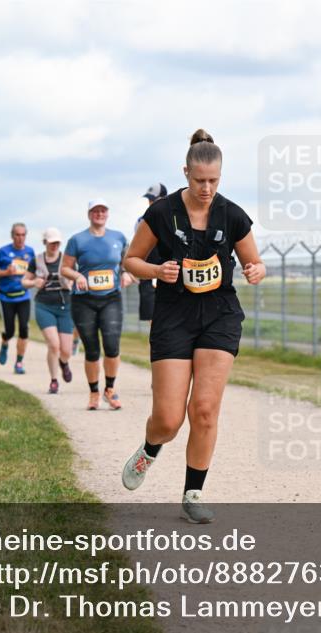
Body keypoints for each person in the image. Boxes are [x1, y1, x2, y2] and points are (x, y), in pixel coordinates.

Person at [121, 129, 266, 523]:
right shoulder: (161, 213)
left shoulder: (232, 214)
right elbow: (130, 260)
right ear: (186, 172)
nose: (206, 188)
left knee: (204, 409)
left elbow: (256, 261)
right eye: (199, 180)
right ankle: (151, 448)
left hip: (219, 314)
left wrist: (256, 270)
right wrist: (156, 270)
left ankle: (193, 492)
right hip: (174, 315)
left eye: (214, 181)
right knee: (169, 418)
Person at [61, 199, 132, 410]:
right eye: (95, 211)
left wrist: (126, 273)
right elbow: (65, 268)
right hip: (84, 300)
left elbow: (126, 262)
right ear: (89, 214)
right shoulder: (77, 240)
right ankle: (93, 392)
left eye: (103, 210)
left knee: (111, 346)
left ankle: (109, 390)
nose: (99, 214)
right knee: (92, 350)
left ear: (107, 213)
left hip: (111, 297)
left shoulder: (118, 237)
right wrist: (77, 276)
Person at [22, 228, 75, 394]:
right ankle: (54, 380)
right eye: (51, 243)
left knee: (66, 350)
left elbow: (77, 275)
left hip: (65, 306)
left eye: (57, 243)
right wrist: (33, 283)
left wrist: (72, 282)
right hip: (44, 306)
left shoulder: (67, 260)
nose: (54, 246)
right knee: (54, 345)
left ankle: (64, 363)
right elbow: (24, 281)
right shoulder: (36, 260)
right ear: (45, 242)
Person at [0, 223, 35, 374]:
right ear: (12, 236)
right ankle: (5, 343)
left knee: (24, 329)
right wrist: (5, 273)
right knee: (10, 331)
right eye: (17, 235)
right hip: (7, 297)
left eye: (23, 235)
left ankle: (19, 362)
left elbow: (34, 271)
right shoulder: (3, 251)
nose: (20, 238)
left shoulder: (30, 252)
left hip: (23, 296)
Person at [136, 183, 167, 327]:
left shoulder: (174, 220)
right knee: (154, 324)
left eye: (153, 199)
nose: (150, 203)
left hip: (169, 277)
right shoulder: (141, 221)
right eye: (149, 200)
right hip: (149, 278)